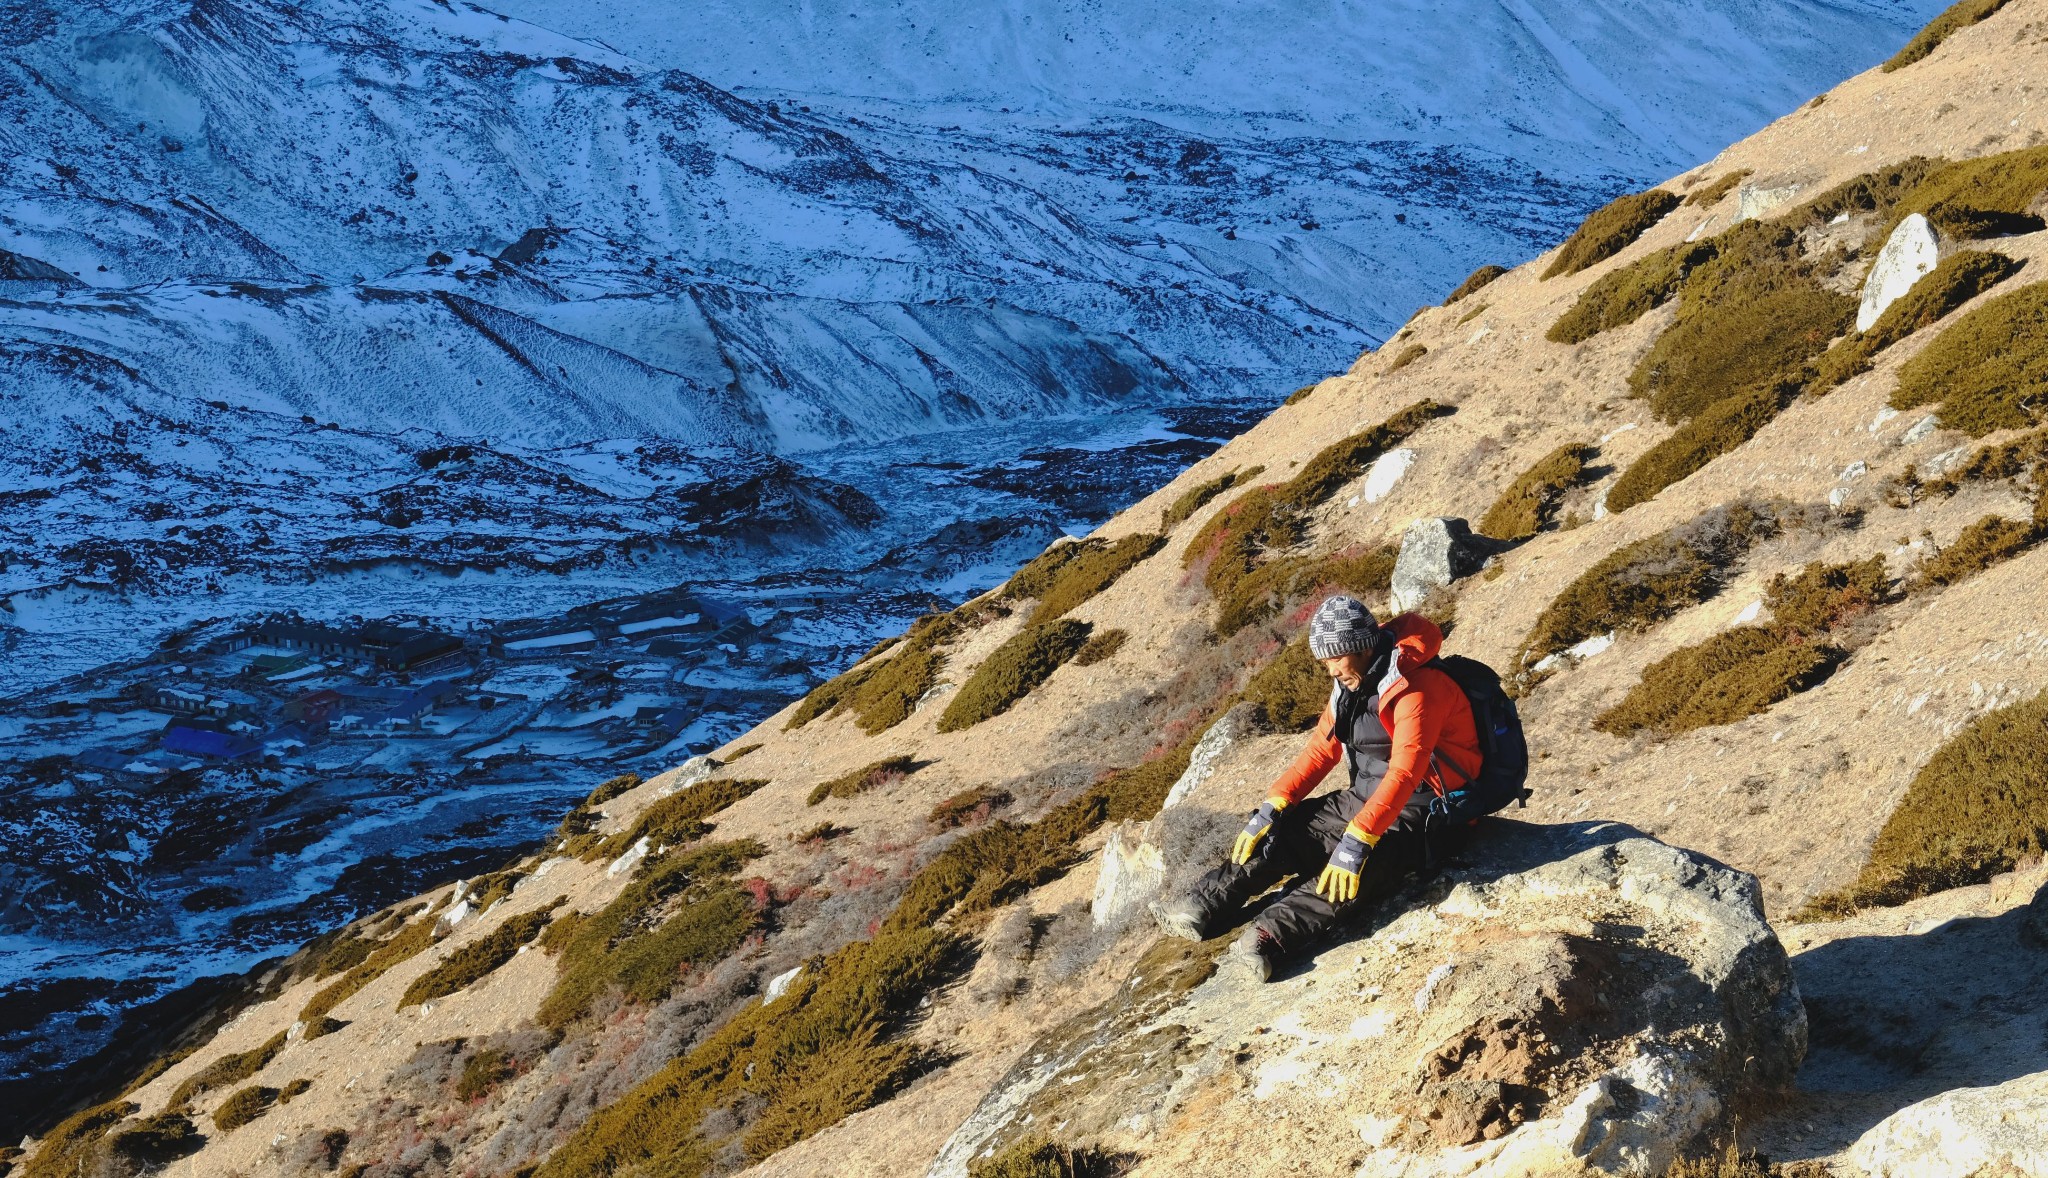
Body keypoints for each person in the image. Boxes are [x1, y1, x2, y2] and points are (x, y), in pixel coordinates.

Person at [1150, 594, 1482, 980]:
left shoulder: (1419, 687)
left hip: (1427, 811)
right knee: (1286, 832)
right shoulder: (1351, 684)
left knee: (1357, 870)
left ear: (1361, 647)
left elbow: (1406, 773)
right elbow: (1321, 751)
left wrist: (1357, 840)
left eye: (1336, 658)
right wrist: (1273, 806)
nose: (1330, 671)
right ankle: (1205, 902)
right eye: (1325, 661)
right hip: (1365, 797)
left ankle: (1267, 935)